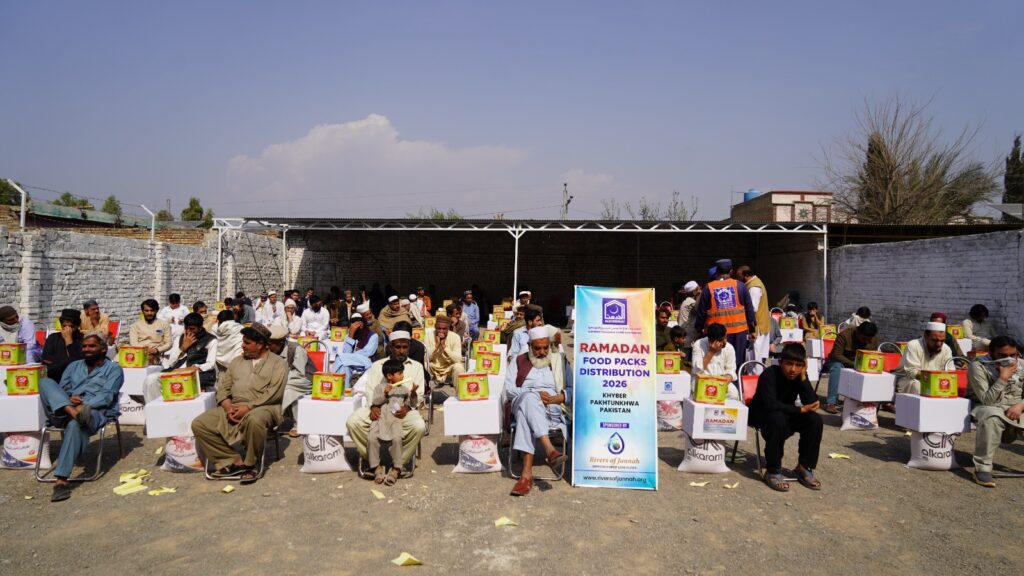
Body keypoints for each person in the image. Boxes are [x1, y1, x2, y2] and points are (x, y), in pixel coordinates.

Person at [191, 323, 287, 484]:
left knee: (255, 419)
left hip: (265, 407)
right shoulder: (236, 361)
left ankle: (250, 464)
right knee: (200, 423)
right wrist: (227, 406)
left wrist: (248, 407)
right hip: (234, 406)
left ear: (260, 344)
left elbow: (274, 393)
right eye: (243, 341)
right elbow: (223, 387)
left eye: (247, 343)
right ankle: (232, 460)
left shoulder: (278, 363)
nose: (242, 345)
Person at [39, 333, 123, 502]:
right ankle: (75, 414)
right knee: (45, 382)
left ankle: (61, 481)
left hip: (95, 411)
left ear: (103, 349)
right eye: (84, 346)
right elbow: (63, 389)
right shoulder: (73, 366)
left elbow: (107, 396)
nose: (87, 349)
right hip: (64, 410)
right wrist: (70, 400)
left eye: (92, 346)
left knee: (75, 425)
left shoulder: (114, 369)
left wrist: (86, 405)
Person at [346, 332, 426, 476]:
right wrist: (373, 406)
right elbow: (370, 390)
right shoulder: (377, 365)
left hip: (403, 409)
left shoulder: (417, 367)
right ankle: (374, 461)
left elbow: (419, 395)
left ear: (409, 348)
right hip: (379, 407)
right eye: (398, 347)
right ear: (391, 347)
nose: (401, 351)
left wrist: (407, 407)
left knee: (419, 426)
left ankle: (398, 463)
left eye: (405, 347)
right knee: (353, 422)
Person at [506, 326, 572, 497]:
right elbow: (509, 390)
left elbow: (573, 390)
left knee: (525, 415)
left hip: (551, 408)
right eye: (537, 348)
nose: (542, 352)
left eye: (545, 347)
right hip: (522, 399)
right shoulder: (519, 360)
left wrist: (559, 397)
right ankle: (549, 449)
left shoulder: (560, 361)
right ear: (529, 345)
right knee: (529, 399)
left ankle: (526, 476)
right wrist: (533, 393)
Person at [749, 343, 822, 492]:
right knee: (777, 419)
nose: (793, 369)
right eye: (789, 364)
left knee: (814, 420)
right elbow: (770, 405)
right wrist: (800, 410)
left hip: (785, 414)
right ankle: (773, 470)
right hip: (763, 415)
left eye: (798, 365)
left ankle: (804, 467)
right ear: (781, 362)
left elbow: (812, 403)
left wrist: (803, 377)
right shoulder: (769, 374)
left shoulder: (799, 376)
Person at [968, 336, 1024, 487]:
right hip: (988, 407)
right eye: (1003, 355)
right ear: (992, 353)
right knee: (991, 417)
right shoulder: (978, 365)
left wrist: (1020, 406)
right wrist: (1003, 378)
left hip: (1016, 408)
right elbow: (986, 400)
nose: (1009, 359)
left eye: (1013, 355)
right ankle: (983, 469)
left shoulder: (1022, 365)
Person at [143, 312, 218, 403]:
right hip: (176, 371)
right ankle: (155, 407)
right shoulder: (180, 338)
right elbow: (171, 362)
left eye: (192, 329)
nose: (188, 331)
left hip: (197, 373)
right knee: (150, 379)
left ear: (200, 327)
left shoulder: (211, 340)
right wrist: (183, 348)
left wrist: (195, 367)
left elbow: (210, 363)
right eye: (186, 328)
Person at [694, 258, 757, 360]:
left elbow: (701, 313)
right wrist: (752, 330)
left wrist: (698, 329)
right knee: (736, 362)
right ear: (731, 271)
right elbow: (749, 310)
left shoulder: (708, 288)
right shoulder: (741, 286)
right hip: (738, 333)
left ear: (717, 271)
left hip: (716, 334)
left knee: (717, 362)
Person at [369, 358, 418, 486]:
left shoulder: (404, 390)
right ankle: (376, 468)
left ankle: (396, 468)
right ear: (390, 376)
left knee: (397, 439)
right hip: (380, 419)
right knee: (372, 438)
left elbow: (411, 404)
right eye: (400, 373)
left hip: (395, 420)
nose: (403, 376)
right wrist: (385, 394)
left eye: (402, 372)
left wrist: (413, 393)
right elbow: (375, 402)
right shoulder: (379, 387)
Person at [268, 324, 315, 437]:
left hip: (305, 379)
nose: (268, 347)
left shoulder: (296, 349)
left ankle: (283, 422)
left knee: (288, 390)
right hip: (287, 379)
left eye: (270, 344)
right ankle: (274, 420)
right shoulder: (271, 351)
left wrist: (280, 380)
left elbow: (299, 372)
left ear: (280, 343)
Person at [823, 322, 880, 414]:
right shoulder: (844, 335)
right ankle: (831, 403)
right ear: (857, 332)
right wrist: (854, 365)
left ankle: (868, 402)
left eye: (868, 340)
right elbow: (836, 355)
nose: (866, 342)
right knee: (837, 367)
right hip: (838, 361)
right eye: (864, 339)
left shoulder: (874, 339)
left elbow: (873, 355)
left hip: (859, 364)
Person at [895, 321, 953, 395]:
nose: (939, 344)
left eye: (942, 341)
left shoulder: (946, 349)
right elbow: (912, 372)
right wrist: (934, 378)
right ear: (926, 336)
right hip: (909, 381)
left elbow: (950, 372)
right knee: (917, 385)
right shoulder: (913, 345)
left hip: (936, 383)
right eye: (935, 340)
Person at [690, 323, 739, 399]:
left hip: (721, 381)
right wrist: (711, 352)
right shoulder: (699, 345)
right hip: (702, 380)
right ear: (710, 340)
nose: (724, 342)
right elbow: (697, 370)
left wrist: (721, 384)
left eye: (725, 338)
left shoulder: (729, 348)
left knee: (734, 394)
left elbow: (731, 371)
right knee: (696, 390)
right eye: (720, 340)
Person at [331, 314, 379, 384]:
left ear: (363, 322)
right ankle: (345, 388)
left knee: (340, 357)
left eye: (359, 321)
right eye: (354, 322)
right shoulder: (349, 335)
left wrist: (350, 356)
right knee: (344, 367)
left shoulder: (373, 335)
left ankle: (332, 380)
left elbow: (367, 353)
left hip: (365, 362)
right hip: (350, 362)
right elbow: (346, 353)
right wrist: (351, 335)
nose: (357, 324)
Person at [736, 265, 771, 363]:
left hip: (757, 327)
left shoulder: (753, 287)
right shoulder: (756, 282)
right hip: (761, 325)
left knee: (755, 359)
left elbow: (752, 309)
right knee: (757, 358)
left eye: (740, 277)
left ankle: (756, 374)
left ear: (746, 275)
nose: (739, 280)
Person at [41, 309, 85, 383]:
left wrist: (69, 341)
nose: (67, 329)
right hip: (56, 378)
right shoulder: (53, 338)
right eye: (64, 326)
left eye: (71, 326)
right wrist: (66, 363)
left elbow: (78, 364)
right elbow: (47, 363)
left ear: (77, 326)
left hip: (75, 380)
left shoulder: (83, 339)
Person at [128, 299, 172, 365]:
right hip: (139, 353)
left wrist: (156, 350)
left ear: (156, 311)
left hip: (157, 355)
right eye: (146, 311)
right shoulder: (135, 326)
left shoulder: (164, 324)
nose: (149, 313)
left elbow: (169, 343)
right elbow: (133, 343)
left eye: (152, 310)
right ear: (142, 311)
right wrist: (145, 349)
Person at [426, 316, 465, 384]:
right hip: (433, 366)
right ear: (435, 327)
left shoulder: (455, 337)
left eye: (444, 329)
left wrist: (445, 347)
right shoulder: (428, 336)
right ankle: (426, 388)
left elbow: (458, 359)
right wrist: (436, 346)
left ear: (448, 328)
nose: (441, 331)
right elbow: (426, 358)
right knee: (421, 365)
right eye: (439, 328)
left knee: (459, 367)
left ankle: (458, 389)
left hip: (448, 367)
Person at [214, 309, 244, 378]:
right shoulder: (239, 328)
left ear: (219, 320)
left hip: (220, 365)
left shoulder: (214, 328)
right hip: (237, 363)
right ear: (233, 318)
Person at [676, 280, 701, 359]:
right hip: (688, 339)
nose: (700, 291)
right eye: (699, 289)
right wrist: (701, 295)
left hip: (686, 338)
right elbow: (701, 310)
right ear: (694, 291)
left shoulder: (686, 301)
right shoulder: (690, 302)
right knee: (686, 362)